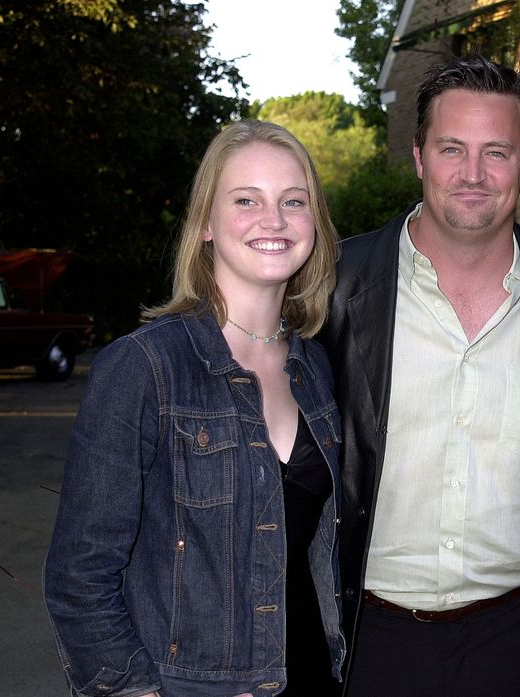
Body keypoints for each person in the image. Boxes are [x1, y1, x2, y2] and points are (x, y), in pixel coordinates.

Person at [319, 54, 520, 697]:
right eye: (452, 148)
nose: (473, 174)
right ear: (419, 156)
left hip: (518, 639)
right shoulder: (335, 286)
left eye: (497, 152)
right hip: (367, 640)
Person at [43, 120, 345, 697]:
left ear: (315, 223)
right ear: (206, 223)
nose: (273, 220)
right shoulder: (144, 367)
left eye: (293, 201)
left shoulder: (317, 368)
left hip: (312, 677)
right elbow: (78, 575)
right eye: (245, 200)